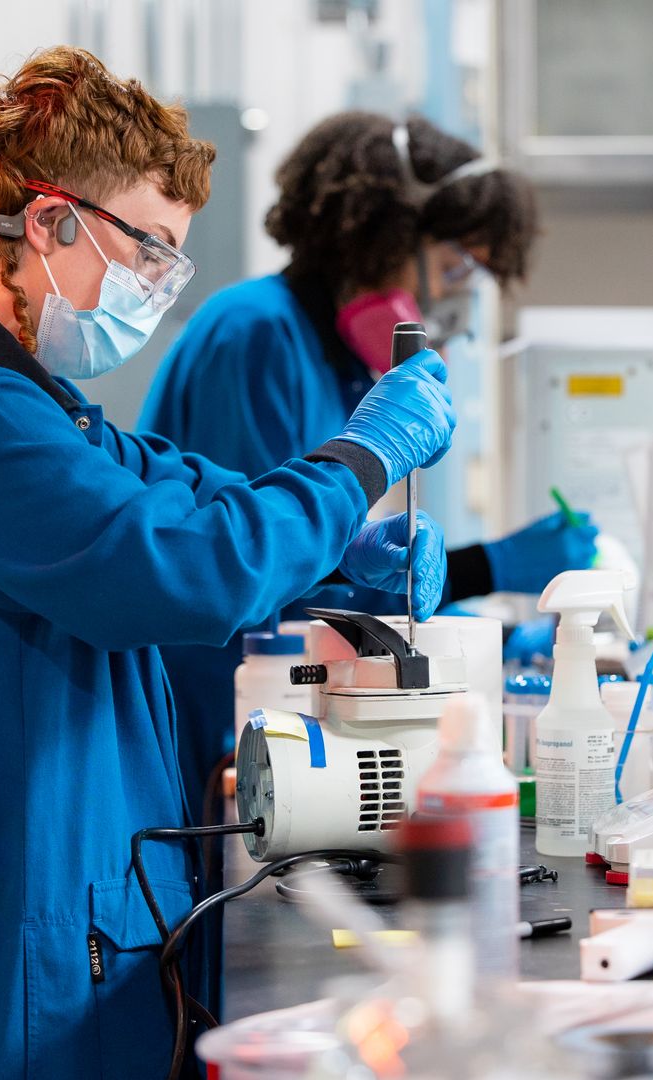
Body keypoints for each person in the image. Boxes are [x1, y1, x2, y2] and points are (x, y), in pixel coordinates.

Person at [0, 49, 456, 1079]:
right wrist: (364, 456)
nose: (161, 288)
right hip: (0, 966)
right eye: (151, 251)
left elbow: (170, 488)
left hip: (55, 920)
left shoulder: (18, 398)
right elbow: (179, 567)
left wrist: (334, 561)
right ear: (49, 222)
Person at [140, 112, 598, 800]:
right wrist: (488, 580)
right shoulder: (257, 336)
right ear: (381, 239)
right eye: (451, 266)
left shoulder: (337, 362)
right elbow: (261, 571)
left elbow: (327, 559)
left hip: (276, 708)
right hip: (210, 723)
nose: (454, 297)